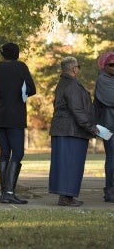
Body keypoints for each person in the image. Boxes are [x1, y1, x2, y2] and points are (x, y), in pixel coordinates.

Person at [49, 56, 98, 207]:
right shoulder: (72, 85)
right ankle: (65, 197)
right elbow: (77, 110)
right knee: (71, 164)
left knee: (64, 164)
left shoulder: (62, 84)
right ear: (74, 69)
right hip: (71, 131)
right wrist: (91, 128)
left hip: (64, 129)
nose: (79, 69)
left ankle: (66, 196)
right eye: (78, 67)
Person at [0, 42, 36, 204]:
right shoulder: (21, 67)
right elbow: (32, 88)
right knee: (17, 152)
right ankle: (9, 192)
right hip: (15, 115)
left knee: (4, 152)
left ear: (3, 54)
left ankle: (4, 193)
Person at [94, 51, 114, 203]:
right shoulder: (103, 80)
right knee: (112, 158)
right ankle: (110, 191)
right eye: (111, 65)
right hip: (107, 128)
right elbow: (110, 99)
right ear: (104, 65)